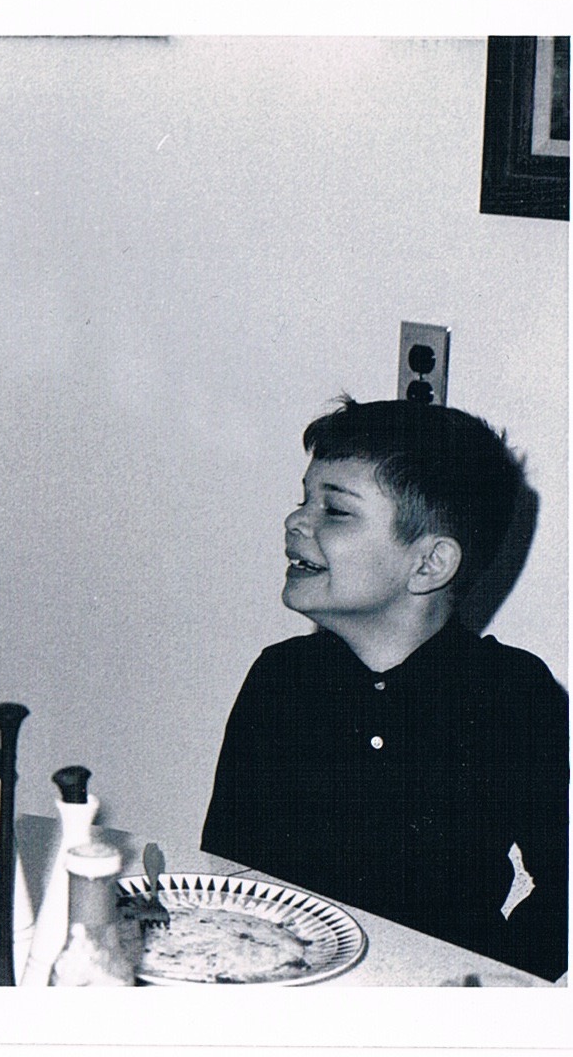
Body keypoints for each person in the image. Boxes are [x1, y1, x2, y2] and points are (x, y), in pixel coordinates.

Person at [201, 398, 568, 982]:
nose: (296, 521)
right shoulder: (280, 679)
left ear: (428, 565)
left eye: (335, 510)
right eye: (304, 498)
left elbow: (561, 896)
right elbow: (229, 871)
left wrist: (493, 989)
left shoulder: (511, 696)